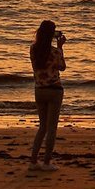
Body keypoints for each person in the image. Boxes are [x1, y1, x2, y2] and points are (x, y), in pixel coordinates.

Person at [28, 19, 66, 168]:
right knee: (52, 128)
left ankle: (33, 160)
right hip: (54, 90)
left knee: (42, 127)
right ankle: (46, 162)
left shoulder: (33, 49)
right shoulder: (55, 51)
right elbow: (62, 67)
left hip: (39, 90)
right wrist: (60, 47)